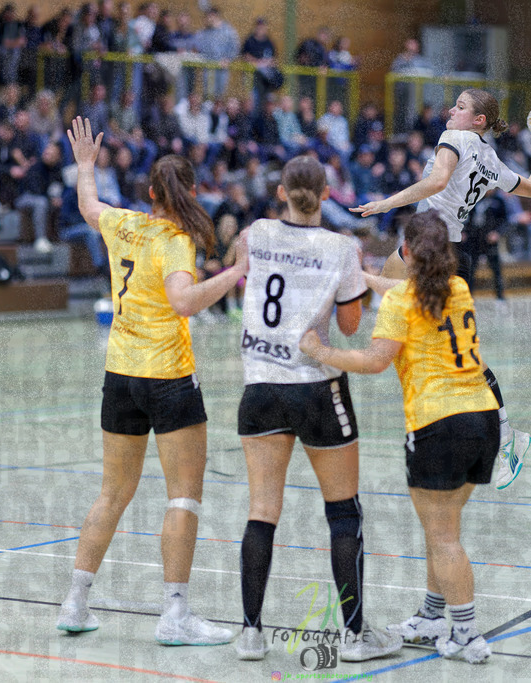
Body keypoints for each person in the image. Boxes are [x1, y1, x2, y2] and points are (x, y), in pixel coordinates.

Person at [56, 117, 247, 645]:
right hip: (167, 378)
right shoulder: (176, 240)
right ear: (189, 192)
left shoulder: (125, 223)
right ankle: (175, 614)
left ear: (148, 192)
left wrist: (86, 166)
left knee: (111, 492)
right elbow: (184, 301)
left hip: (119, 375)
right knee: (183, 496)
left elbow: (88, 206)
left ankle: (75, 601)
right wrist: (235, 273)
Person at [300, 210, 499, 664]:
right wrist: (363, 277)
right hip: (482, 418)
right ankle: (431, 618)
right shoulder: (459, 289)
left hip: (437, 425)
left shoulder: (400, 305)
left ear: (405, 251)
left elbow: (374, 361)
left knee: (443, 534)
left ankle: (467, 635)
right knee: (443, 527)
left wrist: (320, 351)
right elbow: (405, 291)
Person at [232, 155, 402, 663]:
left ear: (281, 191)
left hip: (260, 385)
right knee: (343, 512)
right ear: (327, 195)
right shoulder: (342, 247)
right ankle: (353, 636)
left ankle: (250, 633)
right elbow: (349, 328)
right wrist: (363, 285)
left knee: (262, 511)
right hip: (316, 387)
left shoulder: (254, 233)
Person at [353, 89, 531, 489]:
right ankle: (443, 419)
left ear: (478, 121)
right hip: (432, 244)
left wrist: (385, 203)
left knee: (460, 353)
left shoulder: (459, 139)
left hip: (440, 251)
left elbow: (436, 181)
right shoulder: (488, 156)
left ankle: (504, 437)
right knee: (391, 292)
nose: (452, 110)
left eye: (461, 107)